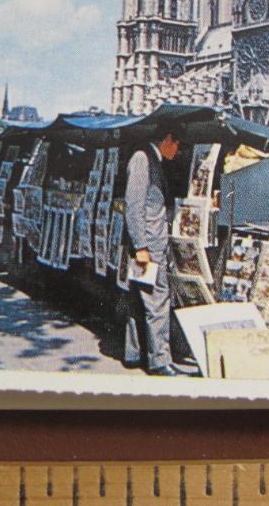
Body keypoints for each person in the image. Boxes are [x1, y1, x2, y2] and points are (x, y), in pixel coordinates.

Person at [123, 127, 181, 376]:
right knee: (157, 301)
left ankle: (134, 354)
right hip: (148, 246)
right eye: (178, 145)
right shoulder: (142, 158)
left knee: (140, 299)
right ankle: (159, 361)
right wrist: (141, 246)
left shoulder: (151, 159)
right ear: (168, 138)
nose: (177, 152)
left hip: (147, 244)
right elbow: (133, 205)